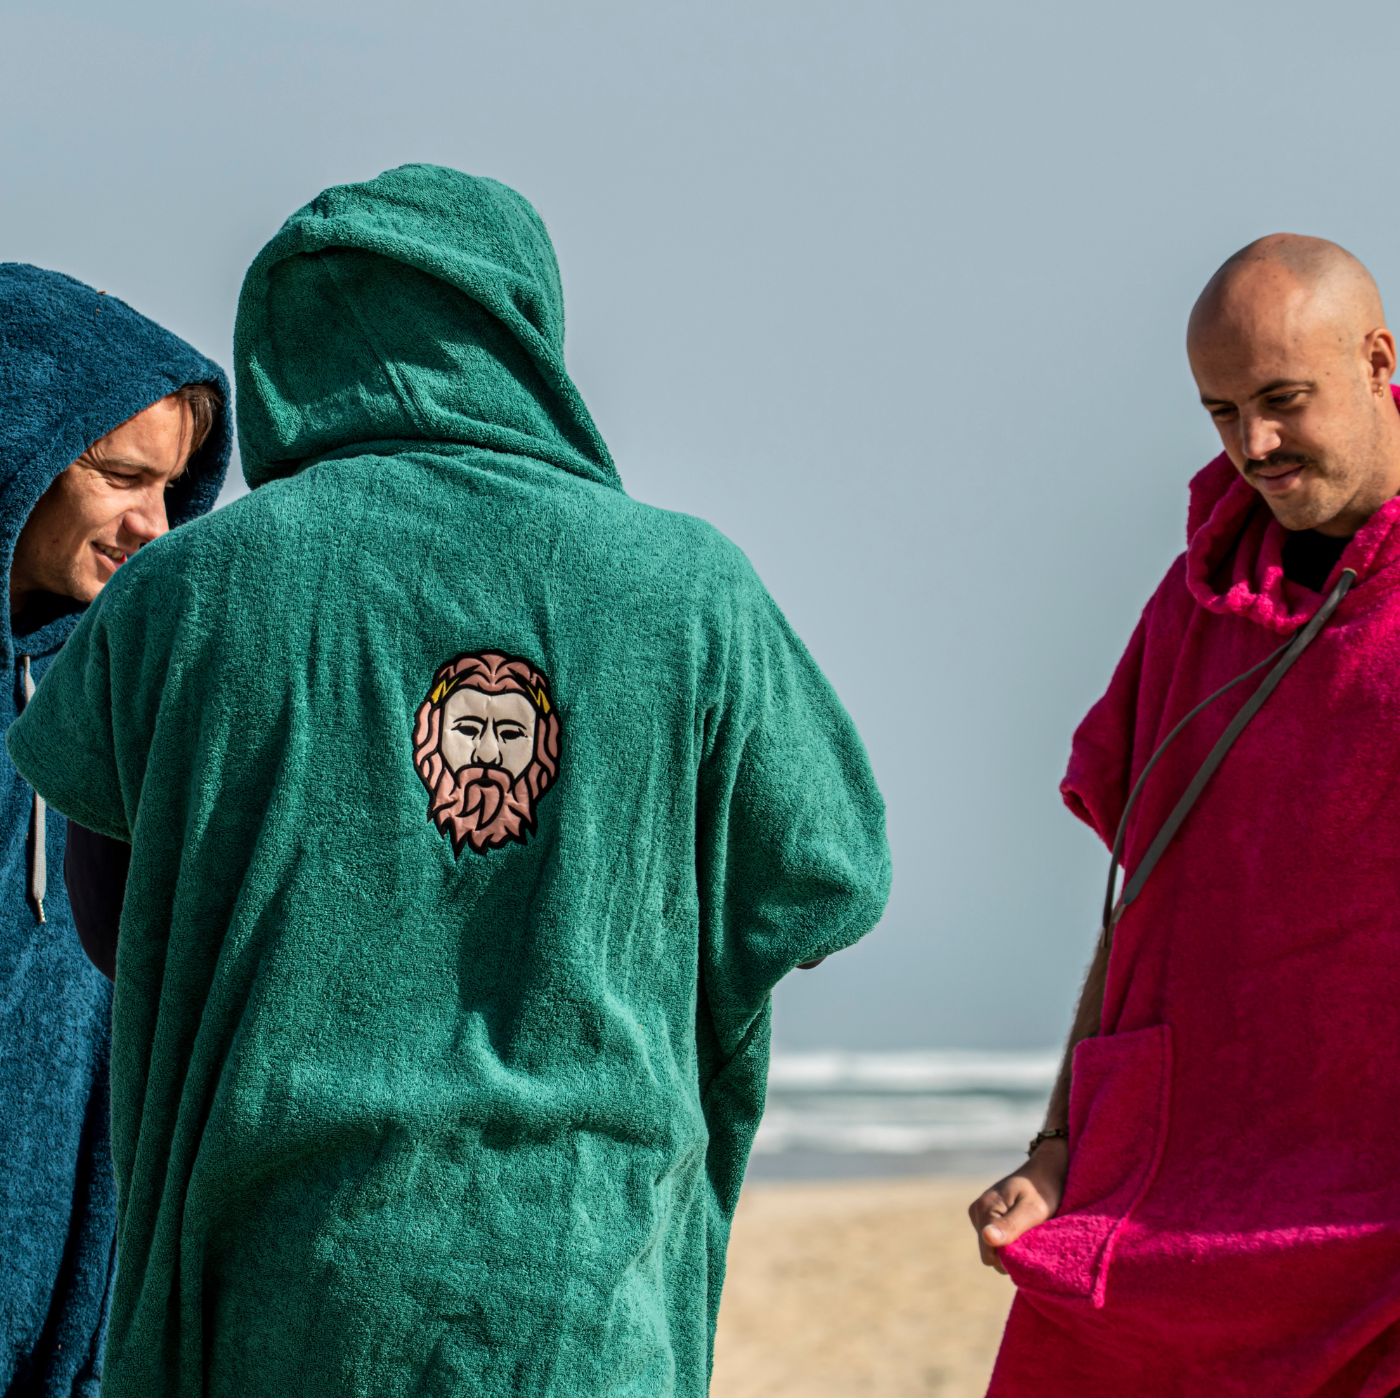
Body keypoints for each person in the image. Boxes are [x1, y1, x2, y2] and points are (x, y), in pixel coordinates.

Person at [7, 165, 891, 1397]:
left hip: (268, 1277)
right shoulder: (690, 589)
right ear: (526, 332)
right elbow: (823, 883)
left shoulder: (182, 592)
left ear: (282, 341)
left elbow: (113, 923)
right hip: (583, 1287)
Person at [968, 234, 1400, 1396]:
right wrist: (1055, 1148)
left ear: (1375, 361)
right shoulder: (1190, 605)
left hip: (1372, 1232)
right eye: (1220, 412)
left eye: (1281, 400)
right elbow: (1137, 901)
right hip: (1163, 1204)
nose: (1252, 445)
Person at [0, 264, 229, 1395]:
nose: (155, 523)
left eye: (174, 485)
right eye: (124, 477)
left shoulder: (123, 694)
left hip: (73, 1313)